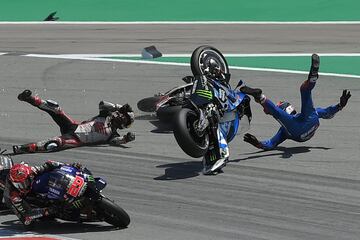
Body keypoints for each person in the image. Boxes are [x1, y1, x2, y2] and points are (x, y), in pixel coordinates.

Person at [240, 54, 351, 150]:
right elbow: (327, 112)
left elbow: (271, 144)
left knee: (276, 112)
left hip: (297, 130)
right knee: (305, 90)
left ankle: (260, 97)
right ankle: (312, 78)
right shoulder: (308, 115)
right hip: (311, 121)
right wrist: (340, 106)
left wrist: (258, 144)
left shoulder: (284, 130)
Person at [12, 90, 135, 154]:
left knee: (54, 144)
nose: (121, 116)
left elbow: (117, 141)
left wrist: (127, 139)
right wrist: (119, 107)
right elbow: (102, 103)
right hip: (74, 126)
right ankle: (28, 98)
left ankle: (21, 149)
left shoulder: (113, 134)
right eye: (122, 114)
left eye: (124, 118)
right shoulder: (105, 114)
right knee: (55, 108)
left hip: (75, 139)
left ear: (124, 125)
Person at [3, 160, 63, 225]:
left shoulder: (31, 171)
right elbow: (27, 214)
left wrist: (64, 165)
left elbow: (48, 165)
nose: (23, 186)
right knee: (27, 222)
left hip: (28, 177)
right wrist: (46, 211)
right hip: (12, 197)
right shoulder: (13, 194)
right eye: (19, 184)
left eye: (25, 182)